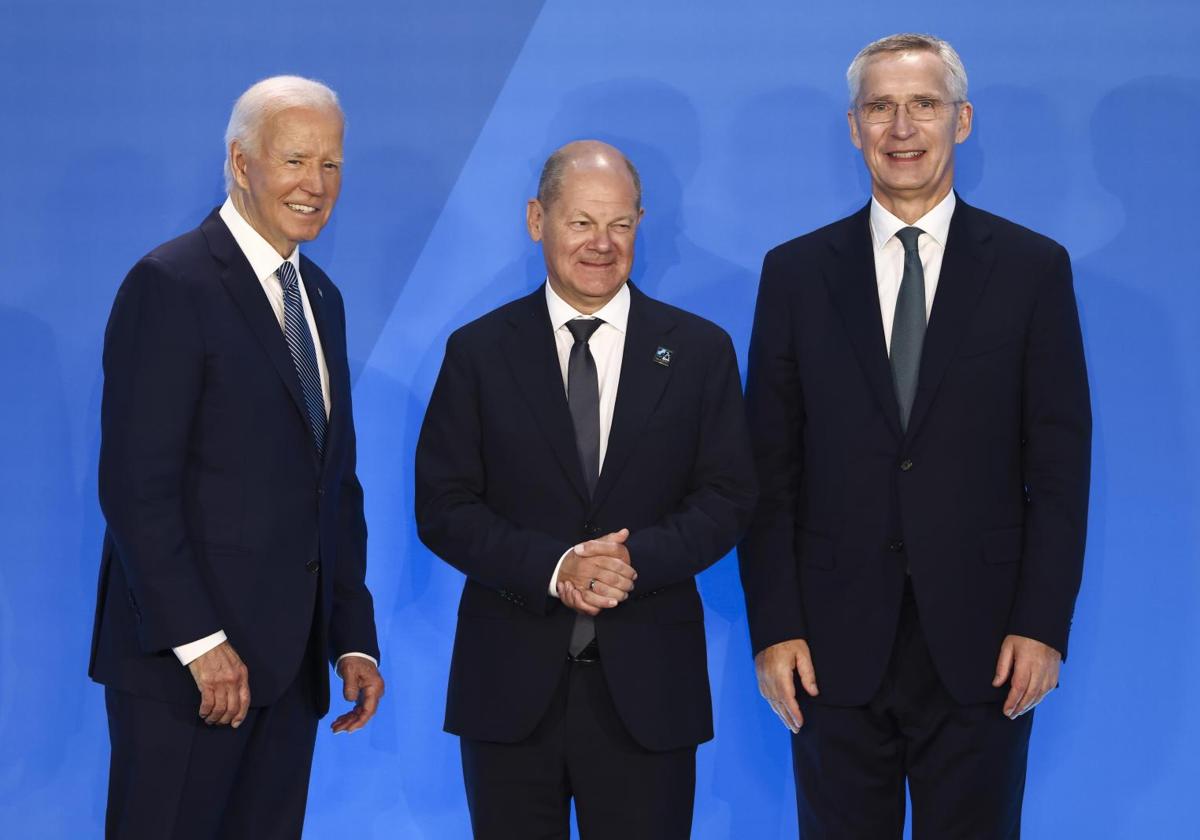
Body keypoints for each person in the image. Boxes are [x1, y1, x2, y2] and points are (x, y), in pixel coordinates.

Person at [739, 33, 1091, 838]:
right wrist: (775, 628)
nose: (902, 128)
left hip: (988, 646)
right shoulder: (794, 274)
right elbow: (769, 469)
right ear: (854, 126)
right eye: (880, 108)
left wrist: (1042, 623)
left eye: (923, 105)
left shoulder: (1034, 269)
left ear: (960, 121)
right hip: (828, 649)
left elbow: (1061, 467)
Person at [415, 140, 757, 839]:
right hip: (509, 693)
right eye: (581, 222)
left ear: (640, 224)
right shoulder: (478, 352)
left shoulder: (698, 351)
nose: (602, 244)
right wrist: (557, 567)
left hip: (650, 693)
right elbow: (443, 507)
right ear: (537, 219)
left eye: (621, 224)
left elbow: (728, 496)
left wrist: (631, 563)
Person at [89, 75, 384, 839]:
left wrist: (351, 633)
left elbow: (332, 486)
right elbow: (134, 487)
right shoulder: (171, 283)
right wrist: (201, 642)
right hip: (186, 671)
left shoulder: (321, 297)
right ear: (241, 162)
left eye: (331, 165)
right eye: (294, 161)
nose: (315, 186)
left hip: (287, 674)